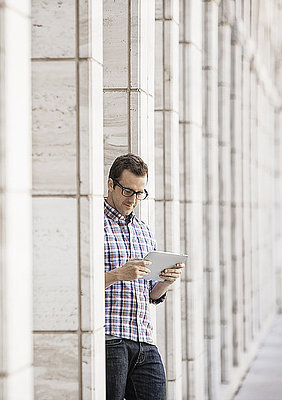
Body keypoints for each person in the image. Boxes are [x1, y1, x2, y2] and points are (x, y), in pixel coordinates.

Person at [103, 153, 184, 400]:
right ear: (111, 185)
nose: (134, 200)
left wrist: (166, 282)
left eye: (140, 193)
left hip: (144, 340)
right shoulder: (93, 224)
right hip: (111, 338)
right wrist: (118, 274)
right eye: (128, 191)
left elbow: (151, 294)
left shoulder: (143, 230)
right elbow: (76, 283)